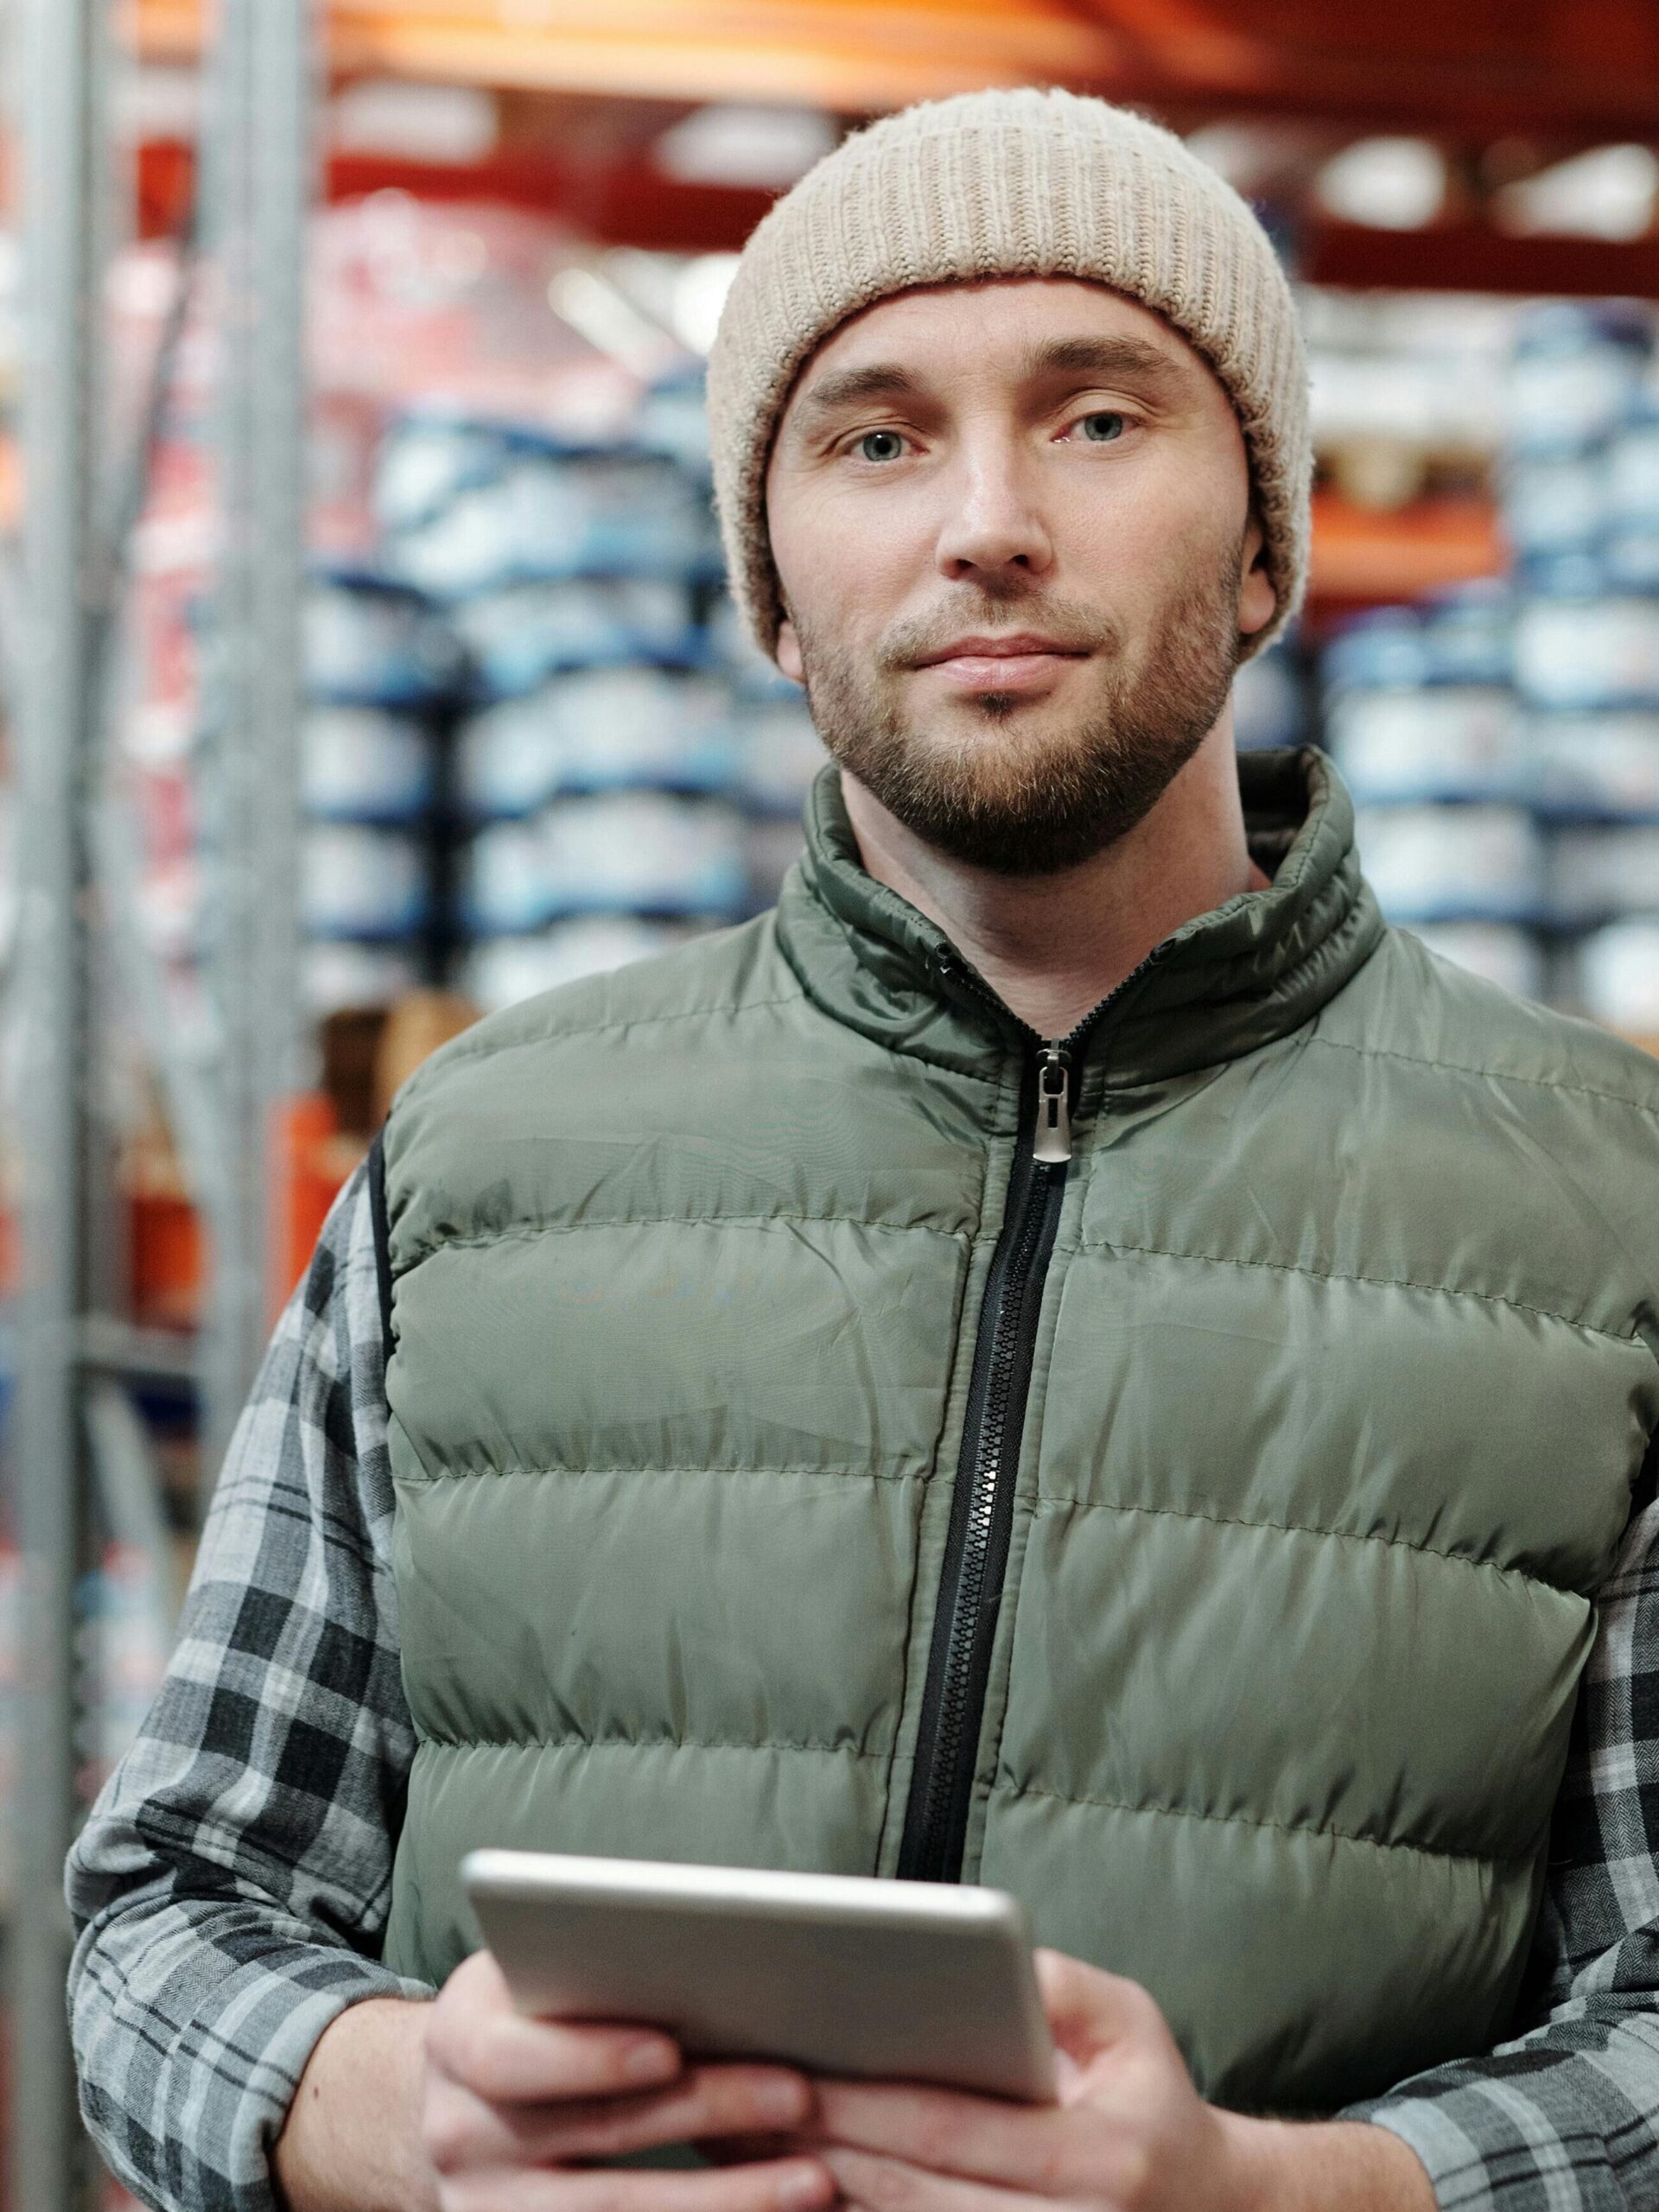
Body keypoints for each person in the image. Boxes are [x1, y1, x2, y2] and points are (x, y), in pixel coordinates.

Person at [67, 86, 1659, 2212]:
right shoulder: (481, 1164)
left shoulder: (1603, 1203)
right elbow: (166, 1906)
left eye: (1098, 419)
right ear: (775, 593)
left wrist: (1302, 2193)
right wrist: (400, 2107)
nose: (984, 520)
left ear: (1266, 538)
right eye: (877, 437)